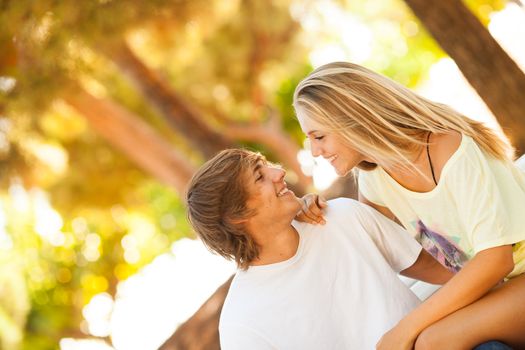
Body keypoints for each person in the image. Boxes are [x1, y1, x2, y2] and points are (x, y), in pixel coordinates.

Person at [293, 61, 525, 349]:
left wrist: (405, 328)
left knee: (432, 341)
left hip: (513, 275)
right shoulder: (375, 179)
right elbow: (380, 245)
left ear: (355, 119)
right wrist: (317, 212)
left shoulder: (448, 148)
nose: (315, 151)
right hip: (504, 287)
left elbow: (496, 259)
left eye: (319, 136)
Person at [185, 148, 453, 350]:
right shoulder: (242, 325)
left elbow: (449, 275)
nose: (279, 173)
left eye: (267, 165)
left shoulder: (342, 217)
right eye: (260, 177)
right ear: (237, 217)